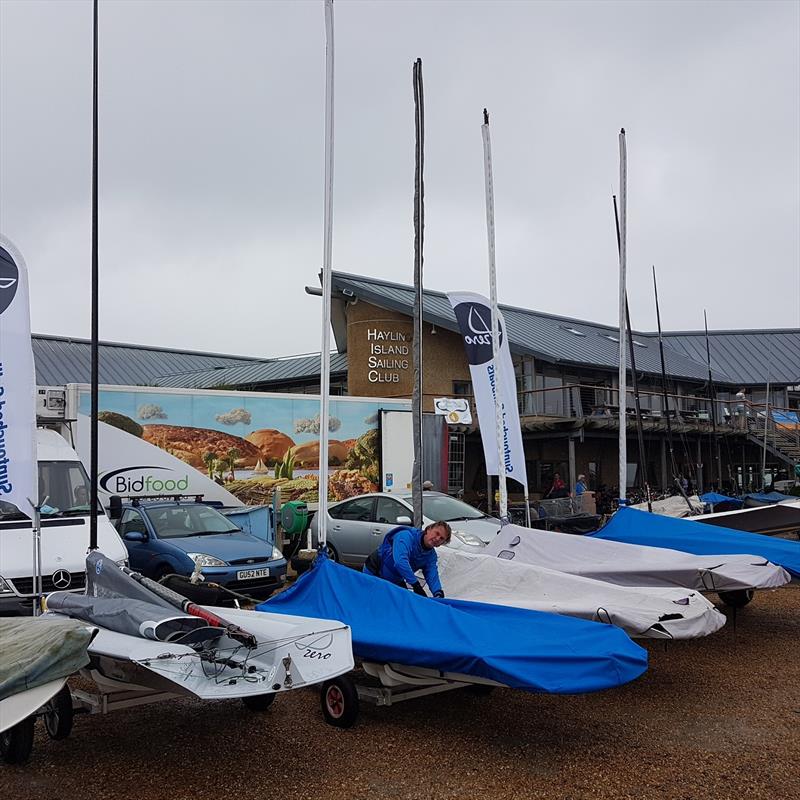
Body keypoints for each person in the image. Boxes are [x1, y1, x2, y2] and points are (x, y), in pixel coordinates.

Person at [363, 521, 452, 598]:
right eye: (437, 533)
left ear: (441, 544)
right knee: (372, 601)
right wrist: (415, 585)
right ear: (428, 530)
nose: (437, 539)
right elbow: (400, 562)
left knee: (404, 603)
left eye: (441, 538)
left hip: (395, 577)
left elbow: (432, 574)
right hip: (375, 570)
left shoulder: (431, 556)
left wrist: (438, 592)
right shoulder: (406, 536)